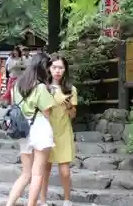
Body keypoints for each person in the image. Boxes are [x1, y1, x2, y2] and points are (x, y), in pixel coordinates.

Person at [5, 53, 55, 206]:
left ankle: (9, 204)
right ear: (43, 68)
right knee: (37, 173)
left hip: (23, 129)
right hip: (39, 128)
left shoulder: (17, 85)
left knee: (25, 174)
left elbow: (16, 105)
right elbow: (47, 111)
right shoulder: (40, 87)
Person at [40, 54, 78, 206]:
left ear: (65, 69)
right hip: (46, 131)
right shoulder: (44, 87)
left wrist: (68, 104)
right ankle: (43, 201)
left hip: (64, 131)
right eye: (54, 67)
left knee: (65, 171)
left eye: (60, 67)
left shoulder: (71, 89)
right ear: (49, 68)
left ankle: (67, 200)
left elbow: (73, 115)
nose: (57, 71)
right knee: (45, 169)